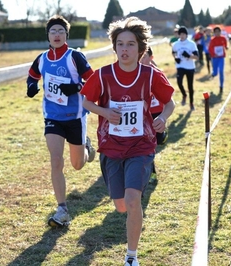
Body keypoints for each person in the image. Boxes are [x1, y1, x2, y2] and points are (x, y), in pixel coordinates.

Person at [81, 16, 175, 266]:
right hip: (111, 148)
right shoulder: (102, 75)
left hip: (141, 146)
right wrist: (105, 112)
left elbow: (169, 102)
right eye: (120, 44)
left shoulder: (150, 75)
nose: (125, 49)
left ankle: (131, 257)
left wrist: (163, 118)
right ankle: (126, 219)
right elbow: (86, 102)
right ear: (114, 48)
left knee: (133, 201)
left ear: (141, 49)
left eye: (131, 44)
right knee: (121, 206)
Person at [26, 15, 96, 228]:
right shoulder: (42, 59)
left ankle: (86, 146)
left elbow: (92, 81)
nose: (57, 35)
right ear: (47, 35)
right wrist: (31, 86)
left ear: (66, 34)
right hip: (52, 116)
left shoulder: (75, 56)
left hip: (75, 117)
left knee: (77, 165)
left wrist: (75, 87)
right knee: (56, 160)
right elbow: (32, 76)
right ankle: (62, 209)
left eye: (60, 31)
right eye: (53, 31)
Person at [139, 46, 169, 184]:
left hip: (158, 111)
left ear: (151, 58)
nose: (141, 59)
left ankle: (163, 134)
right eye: (140, 56)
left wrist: (163, 117)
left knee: (158, 139)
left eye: (144, 56)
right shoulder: (136, 73)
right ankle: (151, 172)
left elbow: (168, 97)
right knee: (147, 144)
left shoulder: (157, 74)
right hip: (144, 114)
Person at [172, 26, 199, 110]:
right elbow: (173, 53)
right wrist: (176, 58)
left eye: (184, 34)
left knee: (190, 86)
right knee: (179, 82)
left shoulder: (191, 44)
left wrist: (189, 56)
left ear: (186, 35)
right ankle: (184, 94)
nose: (182, 35)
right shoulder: (175, 44)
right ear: (179, 35)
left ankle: (191, 103)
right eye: (181, 34)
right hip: (180, 66)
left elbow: (197, 57)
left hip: (190, 67)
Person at [208, 26, 228, 94]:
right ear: (214, 33)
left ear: (220, 32)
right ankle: (213, 74)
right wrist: (214, 54)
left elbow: (225, 45)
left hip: (221, 57)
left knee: (221, 71)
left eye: (218, 32)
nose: (217, 33)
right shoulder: (212, 40)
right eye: (215, 32)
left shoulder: (223, 38)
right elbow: (210, 49)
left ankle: (221, 86)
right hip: (215, 58)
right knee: (216, 72)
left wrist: (226, 47)